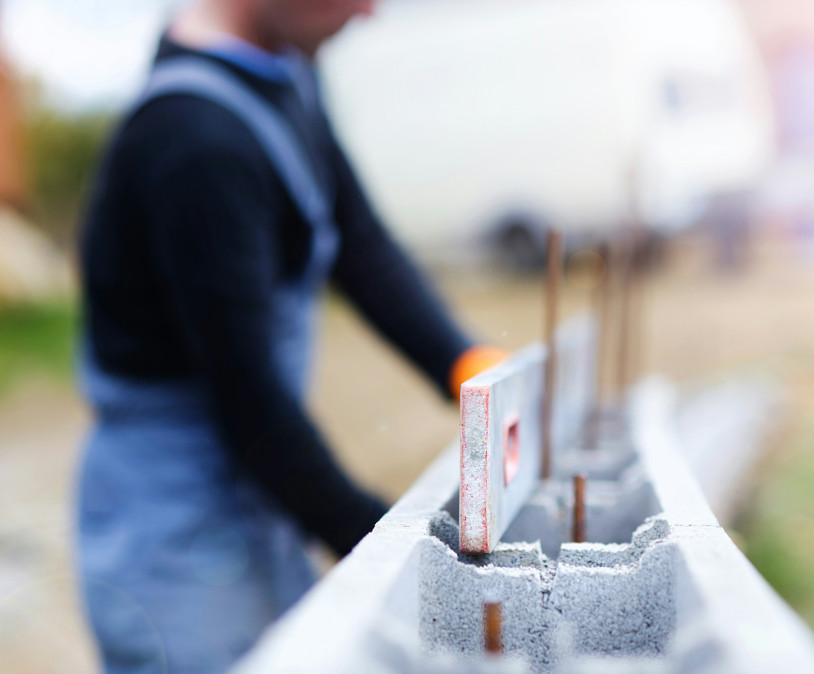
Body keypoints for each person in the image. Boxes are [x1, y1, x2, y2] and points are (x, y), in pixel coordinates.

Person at [75, 1, 504, 672]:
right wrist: (394, 549)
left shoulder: (285, 72)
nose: (369, 11)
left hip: (258, 490)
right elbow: (250, 400)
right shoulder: (194, 141)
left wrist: (464, 363)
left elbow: (360, 245)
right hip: (179, 533)